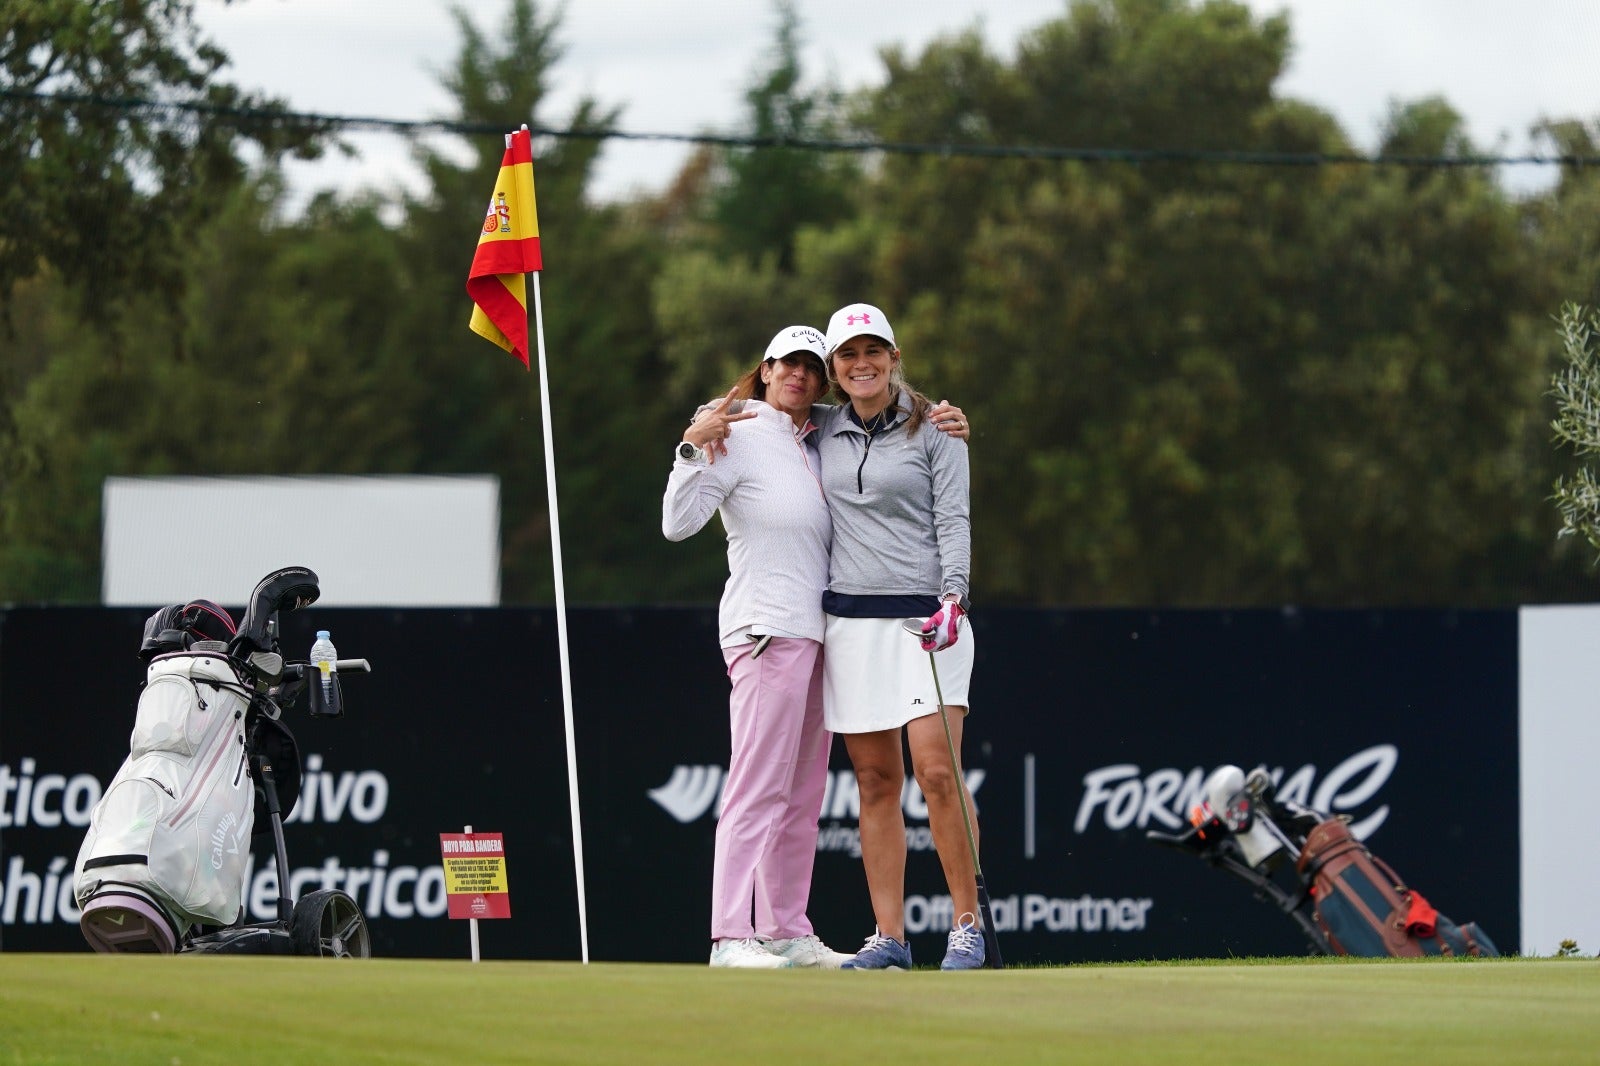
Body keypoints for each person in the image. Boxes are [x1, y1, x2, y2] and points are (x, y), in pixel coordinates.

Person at [662, 325, 971, 969]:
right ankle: (730, 935)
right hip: (764, 630)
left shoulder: (819, 434)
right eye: (787, 365)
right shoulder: (736, 433)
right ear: (766, 369)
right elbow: (677, 523)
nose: (799, 376)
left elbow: (887, 410)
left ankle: (783, 926)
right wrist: (691, 448)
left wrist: (943, 417)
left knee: (803, 794)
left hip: (821, 635)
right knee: (756, 786)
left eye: (810, 366)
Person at [812, 301, 985, 971]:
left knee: (937, 774)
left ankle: (965, 926)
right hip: (850, 626)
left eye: (873, 351)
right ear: (834, 368)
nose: (862, 363)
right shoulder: (818, 429)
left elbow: (954, 521)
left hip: (927, 623)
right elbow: (762, 402)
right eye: (849, 355)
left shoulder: (938, 428)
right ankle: (890, 938)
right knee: (876, 781)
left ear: (894, 356)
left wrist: (955, 597)